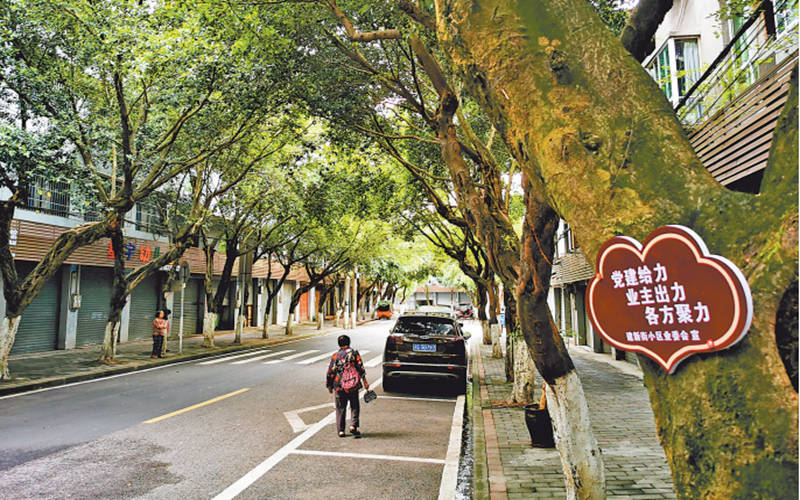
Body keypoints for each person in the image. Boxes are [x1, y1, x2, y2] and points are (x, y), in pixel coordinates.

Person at [326, 334, 369, 438]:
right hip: (353, 384)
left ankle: (341, 430)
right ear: (349, 343)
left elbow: (331, 371)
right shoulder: (354, 353)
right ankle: (353, 425)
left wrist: (329, 385)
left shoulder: (336, 356)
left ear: (339, 344)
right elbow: (360, 367)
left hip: (339, 384)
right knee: (354, 405)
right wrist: (365, 382)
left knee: (340, 407)